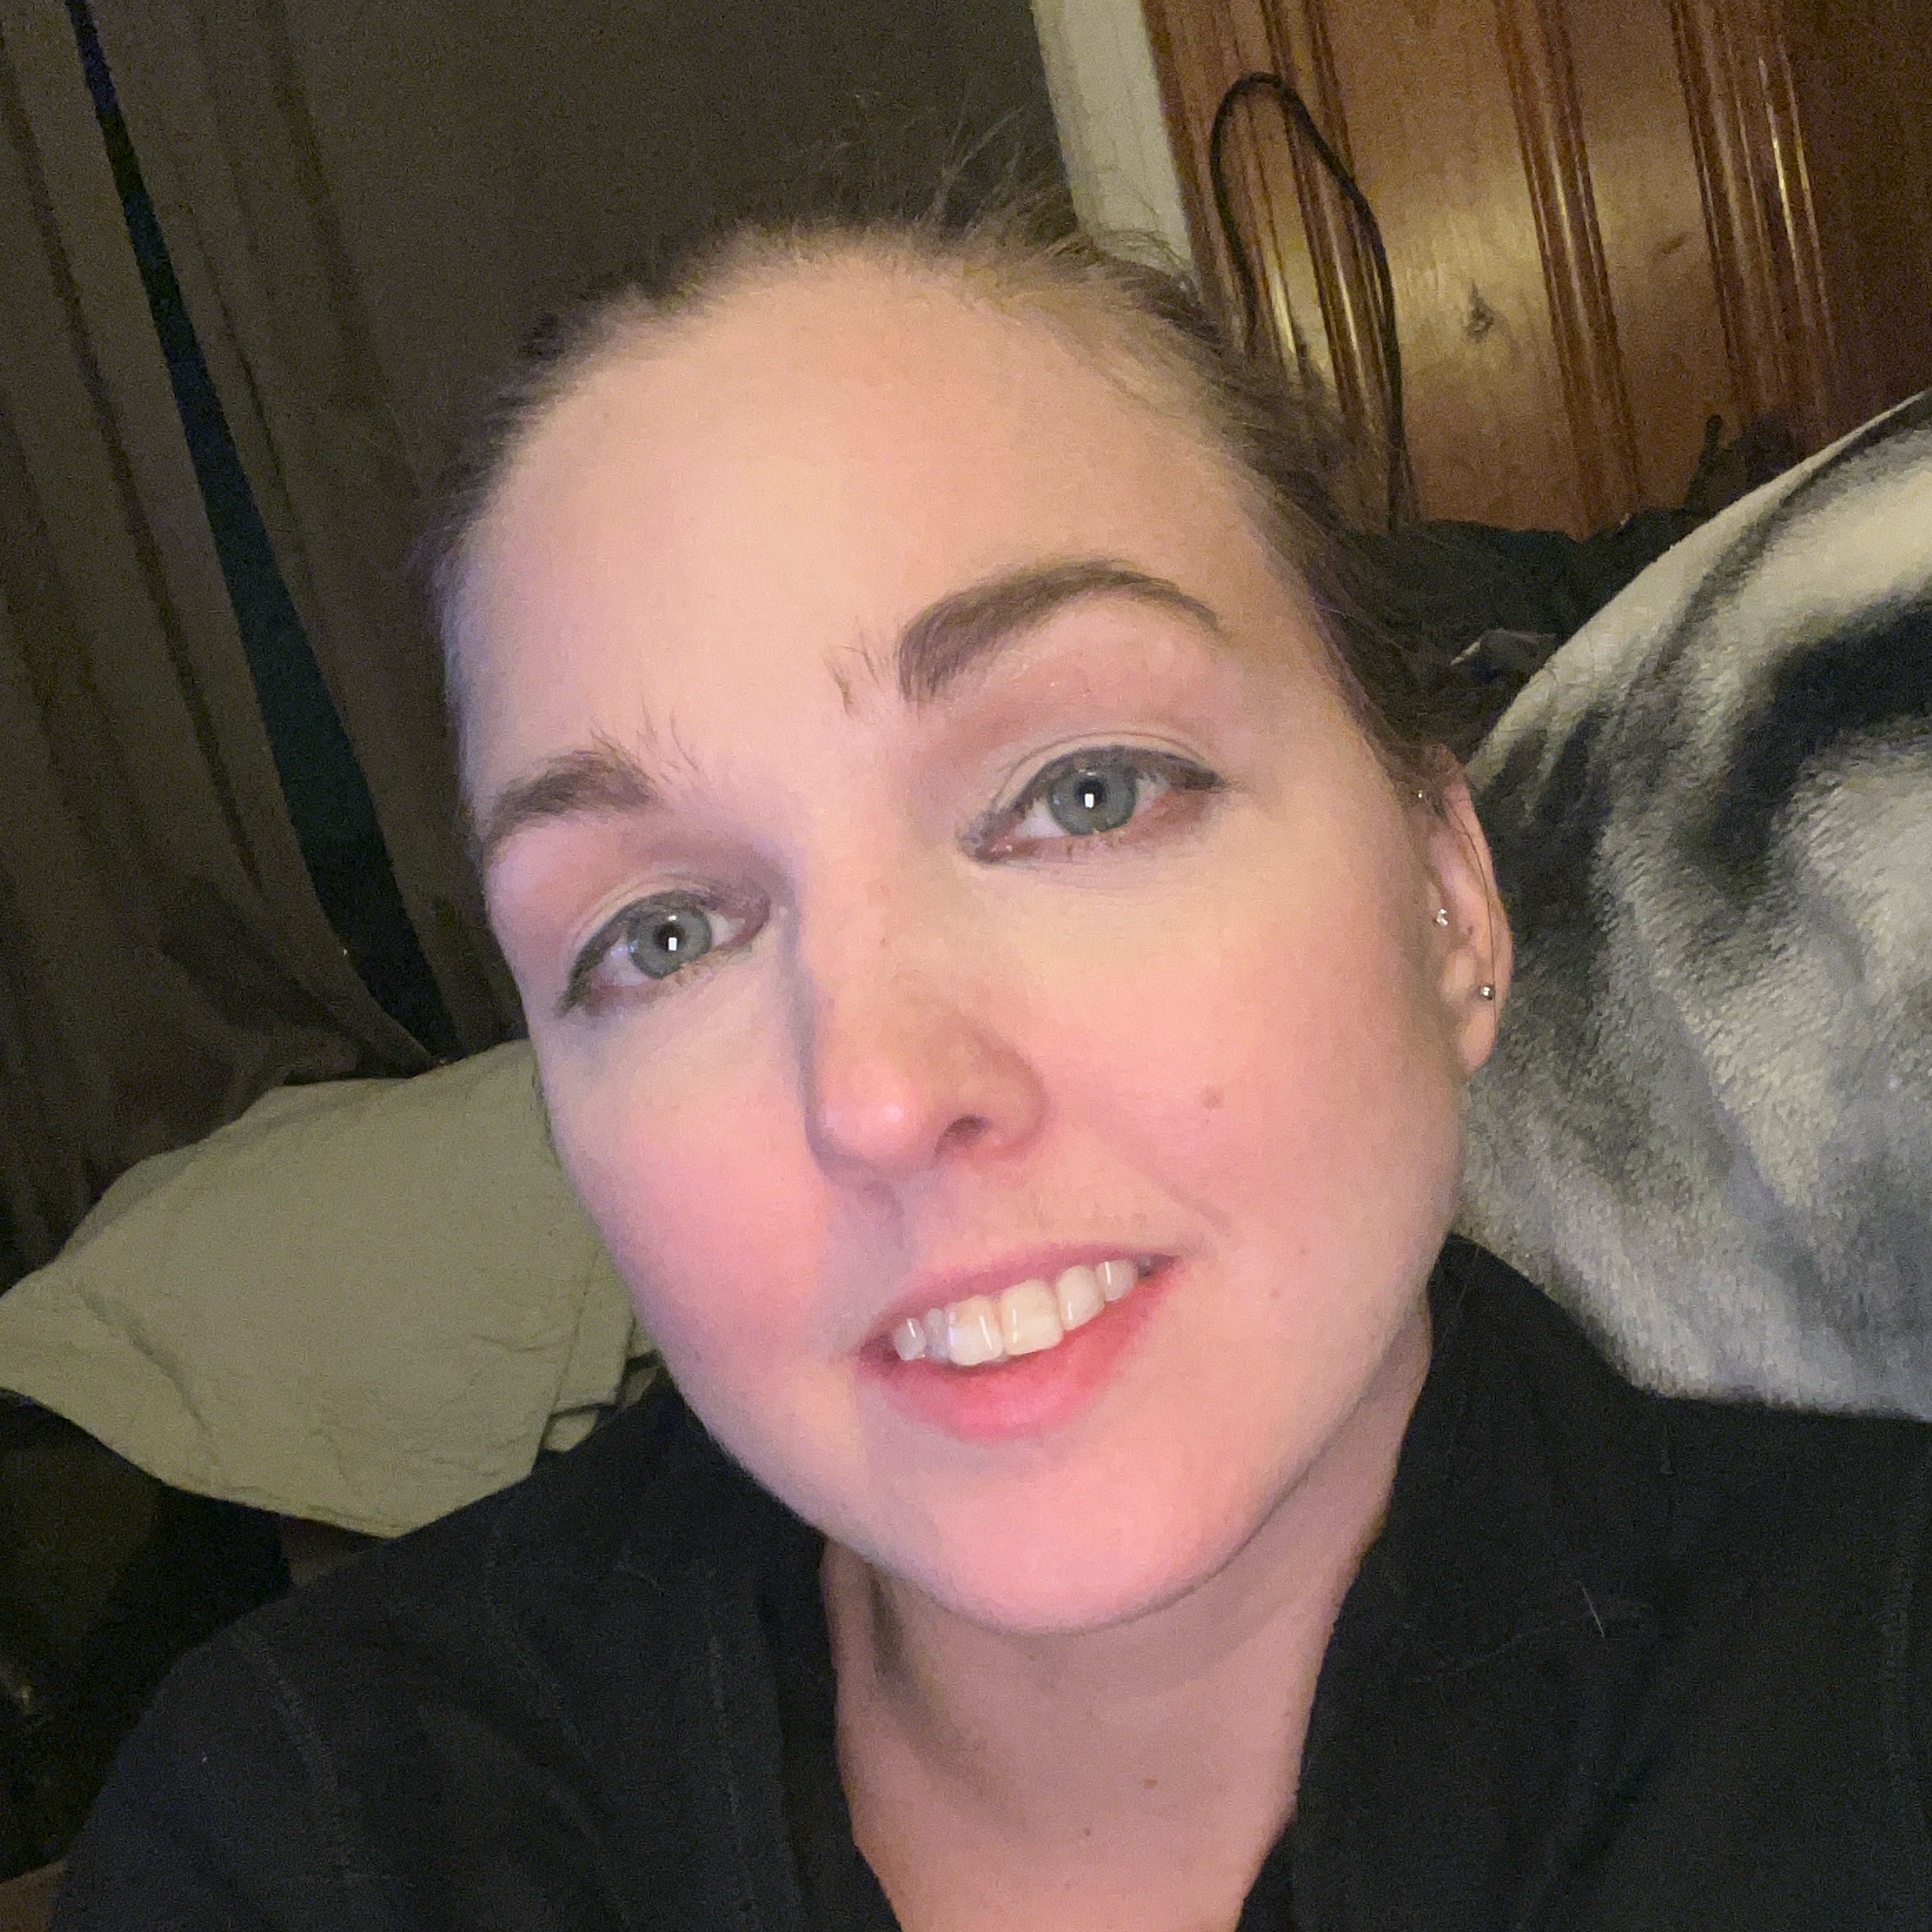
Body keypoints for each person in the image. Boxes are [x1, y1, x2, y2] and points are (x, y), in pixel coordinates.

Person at [54, 212, 1932, 1931]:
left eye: (1085, 794)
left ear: (1449, 898)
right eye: (663, 935)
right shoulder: (300, 1833)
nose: (878, 1093)